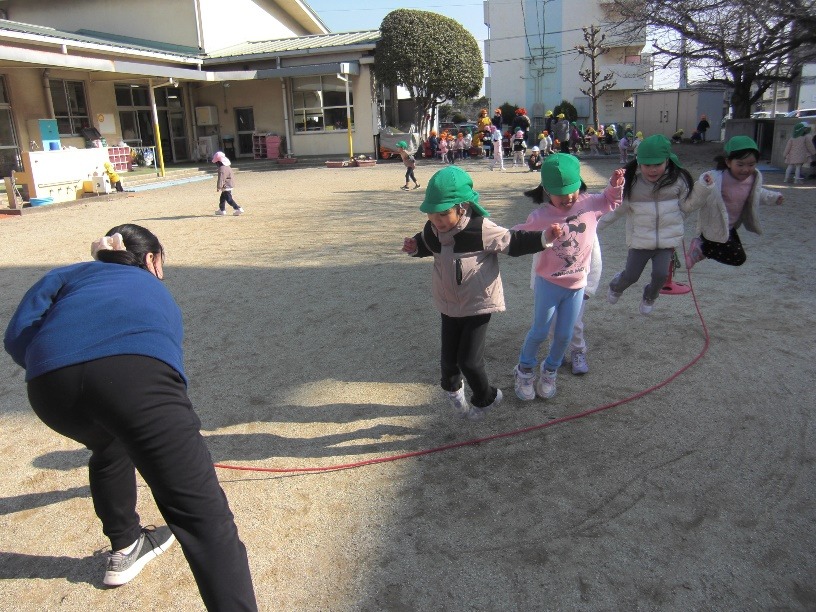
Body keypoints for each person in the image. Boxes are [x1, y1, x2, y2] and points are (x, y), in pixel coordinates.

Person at [3, 224, 258, 611]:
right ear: (152, 260)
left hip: (50, 388)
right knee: (204, 518)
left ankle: (126, 545)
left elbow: (17, 336)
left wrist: (54, 361)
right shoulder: (153, 288)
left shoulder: (68, 273)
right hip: (134, 381)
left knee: (108, 443)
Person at [401, 166, 560, 419]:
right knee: (448, 363)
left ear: (461, 207)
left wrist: (544, 237)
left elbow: (514, 241)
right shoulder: (432, 230)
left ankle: (487, 397)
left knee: (469, 362)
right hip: (449, 304)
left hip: (477, 304)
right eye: (432, 214)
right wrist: (414, 246)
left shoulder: (480, 228)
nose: (437, 221)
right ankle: (454, 393)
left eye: (443, 214)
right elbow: (427, 244)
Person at [512, 154, 625, 400]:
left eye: (572, 190)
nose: (567, 197)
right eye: (560, 193)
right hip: (549, 284)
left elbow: (610, 201)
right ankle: (525, 369)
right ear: (546, 191)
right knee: (540, 331)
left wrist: (615, 185)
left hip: (576, 285)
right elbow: (515, 236)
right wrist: (490, 238)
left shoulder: (589, 204)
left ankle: (550, 370)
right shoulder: (541, 217)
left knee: (564, 334)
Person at [599, 134, 701, 315]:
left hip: (666, 242)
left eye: (657, 165)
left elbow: (688, 206)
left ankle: (650, 296)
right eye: (647, 165)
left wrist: (704, 190)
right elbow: (615, 209)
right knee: (631, 276)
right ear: (638, 163)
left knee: (661, 275)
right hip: (640, 241)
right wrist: (594, 227)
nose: (652, 170)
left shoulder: (677, 180)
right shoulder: (631, 183)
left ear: (667, 161)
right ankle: (616, 286)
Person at [685, 135, 784, 270]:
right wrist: (704, 183)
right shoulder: (716, 178)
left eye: (751, 164)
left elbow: (757, 193)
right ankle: (701, 248)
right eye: (740, 164)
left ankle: (701, 250)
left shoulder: (751, 179)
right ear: (728, 162)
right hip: (713, 226)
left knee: (735, 255)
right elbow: (699, 193)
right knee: (738, 257)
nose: (745, 169)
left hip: (729, 227)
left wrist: (774, 197)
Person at [212, 151, 244, 216]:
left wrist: (219, 187)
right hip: (230, 184)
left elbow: (221, 179)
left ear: (218, 162)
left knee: (229, 199)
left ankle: (238, 208)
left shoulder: (222, 169)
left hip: (226, 186)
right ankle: (222, 209)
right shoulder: (227, 167)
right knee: (222, 198)